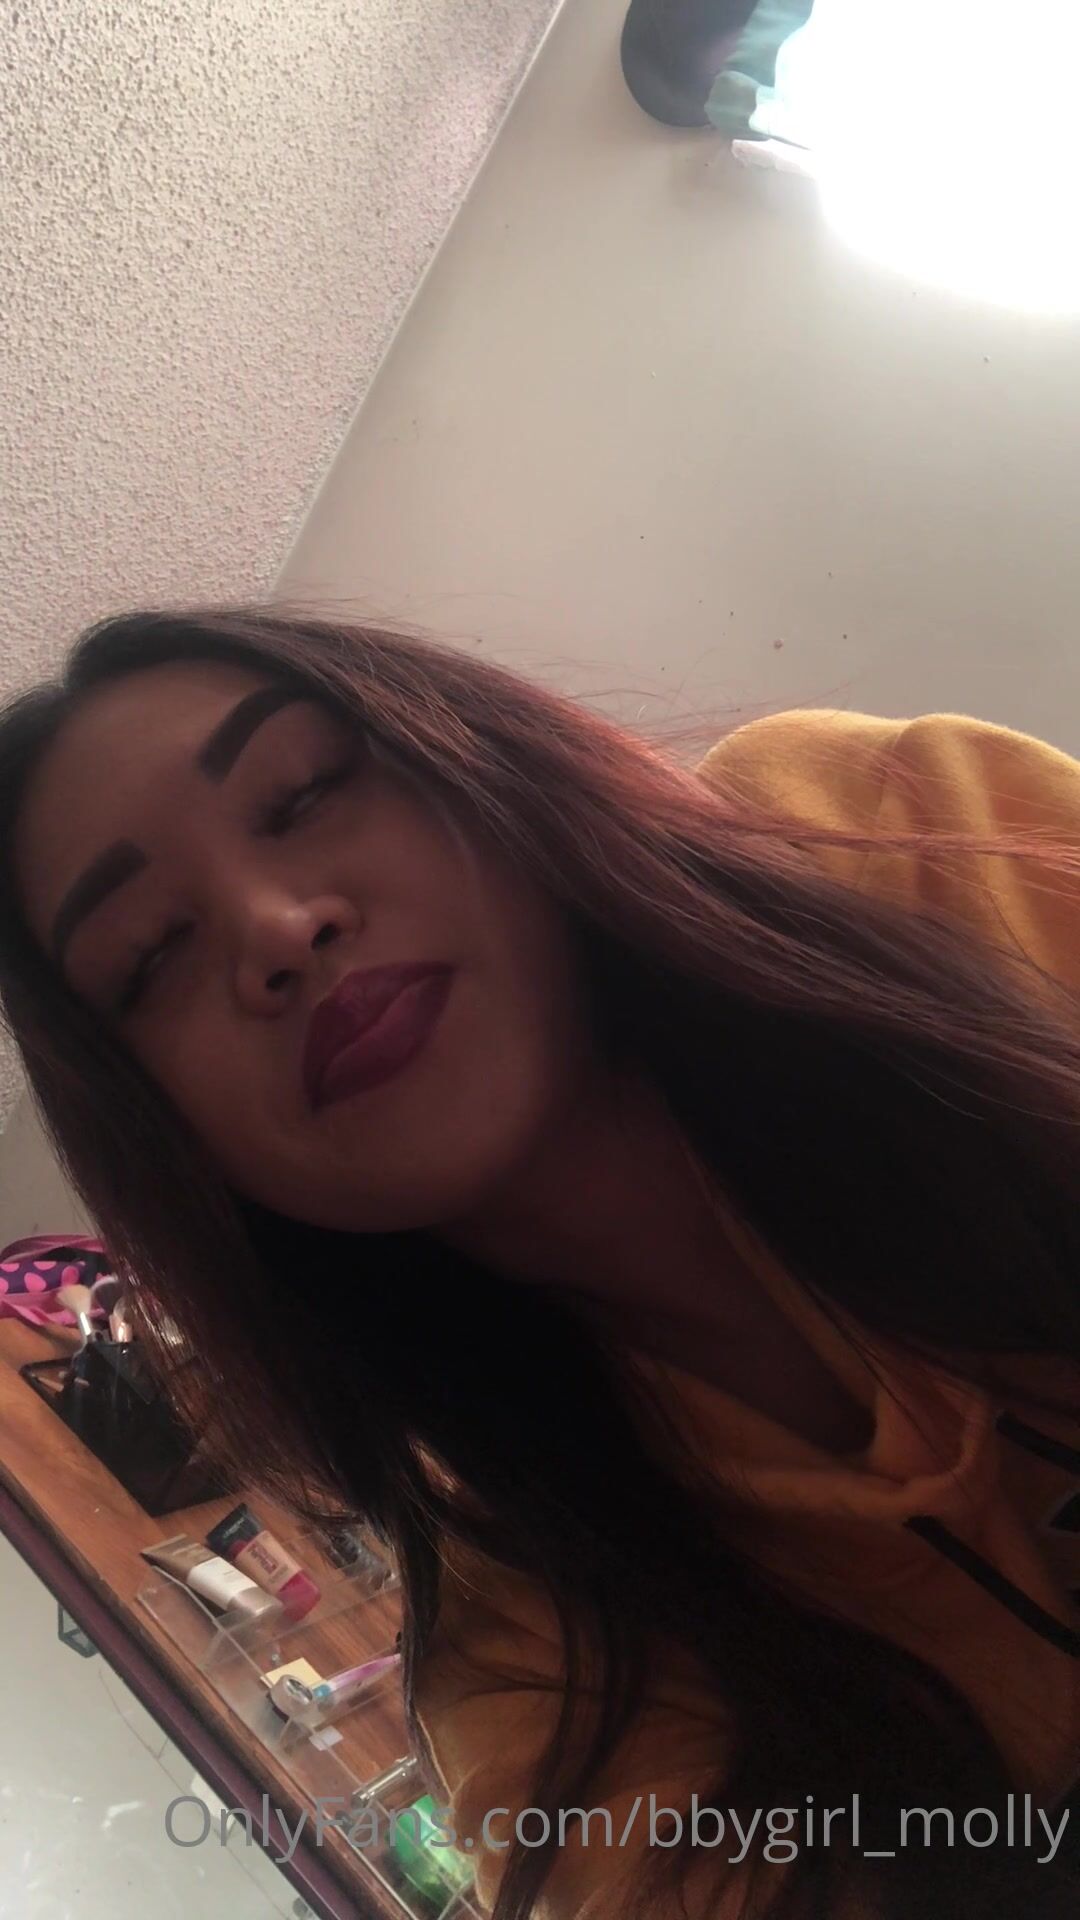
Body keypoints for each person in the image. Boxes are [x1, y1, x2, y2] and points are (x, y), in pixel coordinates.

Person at [1, 606, 1078, 1919]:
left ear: (471, 758)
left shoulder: (889, 830)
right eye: (151, 957)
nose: (278, 930)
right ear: (167, 1140)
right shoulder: (532, 1674)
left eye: (304, 792)